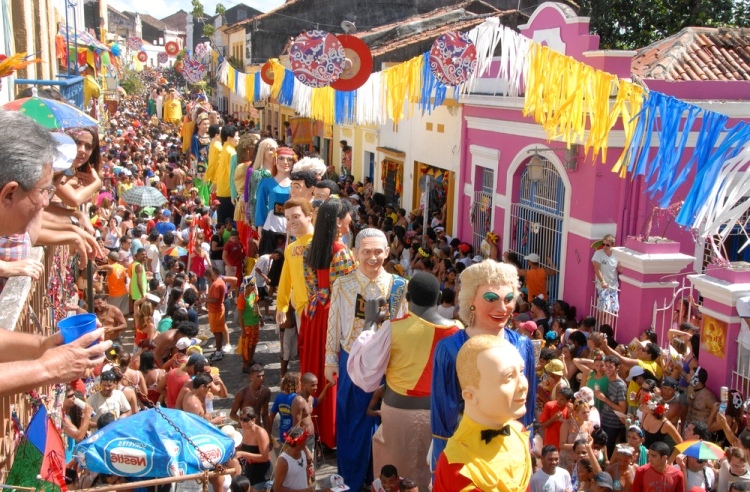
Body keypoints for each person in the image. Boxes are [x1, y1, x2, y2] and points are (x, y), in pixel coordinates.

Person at [348, 271, 461, 491]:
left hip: (398, 416)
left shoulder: (394, 327)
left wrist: (370, 323)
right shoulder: (458, 331)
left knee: (395, 479)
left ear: (407, 299)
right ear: (438, 298)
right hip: (442, 418)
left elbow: (364, 370)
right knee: (432, 476)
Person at [431, 261, 537, 469]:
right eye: (491, 299)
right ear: (471, 301)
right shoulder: (450, 349)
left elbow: (528, 407)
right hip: (465, 453)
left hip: (511, 451)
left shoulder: (523, 345)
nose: (501, 308)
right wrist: (442, 465)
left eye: (508, 299)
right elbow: (443, 412)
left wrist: (526, 446)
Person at [325, 228, 408, 492]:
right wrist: (329, 360)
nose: (372, 257)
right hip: (352, 362)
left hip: (388, 364)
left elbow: (405, 326)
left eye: (378, 252)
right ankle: (350, 481)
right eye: (366, 252)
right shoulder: (343, 284)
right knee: (351, 423)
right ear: (355, 253)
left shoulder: (398, 286)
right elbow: (333, 323)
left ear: (387, 252)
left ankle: (383, 480)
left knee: (385, 424)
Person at [434, 335, 532, 492]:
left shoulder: (519, 433)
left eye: (521, 371)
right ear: (470, 395)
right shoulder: (456, 463)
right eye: (508, 377)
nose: (522, 385)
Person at [300, 198, 357, 448]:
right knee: (331, 369)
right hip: (333, 314)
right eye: (347, 216)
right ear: (337, 221)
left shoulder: (310, 250)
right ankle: (331, 432)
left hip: (314, 313)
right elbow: (349, 291)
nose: (350, 221)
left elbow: (311, 286)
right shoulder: (342, 253)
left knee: (314, 366)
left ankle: (314, 425)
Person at [276, 198, 316, 376]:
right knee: (305, 351)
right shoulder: (290, 247)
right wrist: (281, 305)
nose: (291, 222)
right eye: (287, 218)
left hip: (321, 309)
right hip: (301, 310)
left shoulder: (320, 243)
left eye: (296, 216)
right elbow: (286, 277)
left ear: (309, 216)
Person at [255, 146, 293, 254]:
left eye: (289, 159)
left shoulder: (297, 184)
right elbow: (260, 205)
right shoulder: (266, 182)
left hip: (291, 227)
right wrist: (260, 224)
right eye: (281, 158)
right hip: (271, 226)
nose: (285, 162)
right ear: (275, 160)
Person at [291, 372, 333, 467]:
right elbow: (296, 429)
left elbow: (318, 401)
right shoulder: (299, 401)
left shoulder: (309, 398)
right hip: (303, 441)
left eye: (316, 385)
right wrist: (305, 449)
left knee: (311, 467)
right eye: (313, 385)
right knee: (306, 467)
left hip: (311, 437)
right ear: (304, 385)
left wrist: (327, 387)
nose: (316, 388)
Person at [236, 406, 273, 492]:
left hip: (262, 473)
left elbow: (265, 457)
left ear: (253, 420)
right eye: (241, 419)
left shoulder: (260, 432)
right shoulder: (245, 430)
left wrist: (243, 454)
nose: (242, 422)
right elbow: (248, 447)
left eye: (245, 420)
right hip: (249, 470)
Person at [596, 356, 627, 457]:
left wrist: (604, 399)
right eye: (606, 366)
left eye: (611, 367)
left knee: (608, 450)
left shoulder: (620, 386)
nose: (607, 369)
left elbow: (622, 409)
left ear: (617, 368)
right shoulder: (606, 379)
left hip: (613, 425)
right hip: (603, 420)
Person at [231, 363, 272, 433]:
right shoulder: (242, 393)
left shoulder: (266, 392)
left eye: (263, 375)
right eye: (258, 376)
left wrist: (268, 434)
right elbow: (232, 414)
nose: (261, 378)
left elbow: (265, 415)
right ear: (251, 377)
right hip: (244, 429)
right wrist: (243, 421)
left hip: (257, 428)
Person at [273, 427, 313, 492]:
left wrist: (309, 485)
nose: (305, 442)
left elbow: (306, 470)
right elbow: (277, 488)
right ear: (298, 442)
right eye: (304, 441)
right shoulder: (283, 461)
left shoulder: (302, 452)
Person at [237, 275, 263, 372]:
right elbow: (240, 315)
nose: (254, 286)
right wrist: (243, 330)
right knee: (246, 346)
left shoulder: (254, 294)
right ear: (247, 286)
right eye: (252, 285)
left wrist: (260, 317)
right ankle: (245, 365)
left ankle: (251, 360)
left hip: (255, 324)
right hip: (247, 325)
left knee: (254, 343)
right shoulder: (242, 298)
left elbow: (256, 306)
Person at [592, 235, 621, 313]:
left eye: (607, 245)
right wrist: (602, 281)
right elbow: (596, 268)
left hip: (613, 285)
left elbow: (619, 269)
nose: (604, 246)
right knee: (604, 309)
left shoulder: (616, 255)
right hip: (603, 286)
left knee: (612, 310)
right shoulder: (598, 253)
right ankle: (602, 324)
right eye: (603, 244)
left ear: (612, 244)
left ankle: (607, 324)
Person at [270, 372, 300, 442]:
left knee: (285, 452)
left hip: (283, 433)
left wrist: (269, 433)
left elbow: (271, 416)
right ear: (296, 384)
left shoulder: (279, 397)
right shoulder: (297, 399)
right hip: (295, 435)